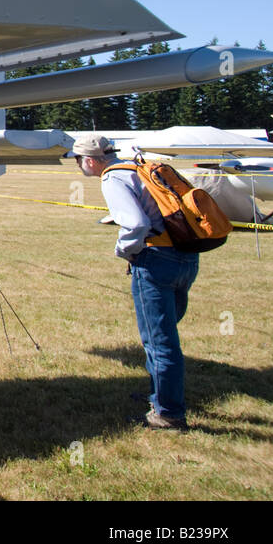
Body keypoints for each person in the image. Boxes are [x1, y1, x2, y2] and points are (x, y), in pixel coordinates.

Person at [73, 133, 198, 430]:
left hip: (156, 260)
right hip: (186, 257)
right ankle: (160, 396)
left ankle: (168, 413)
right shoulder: (135, 168)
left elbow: (137, 224)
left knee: (159, 340)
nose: (78, 166)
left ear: (90, 160)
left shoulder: (112, 179)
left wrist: (123, 250)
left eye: (78, 160)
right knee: (164, 334)